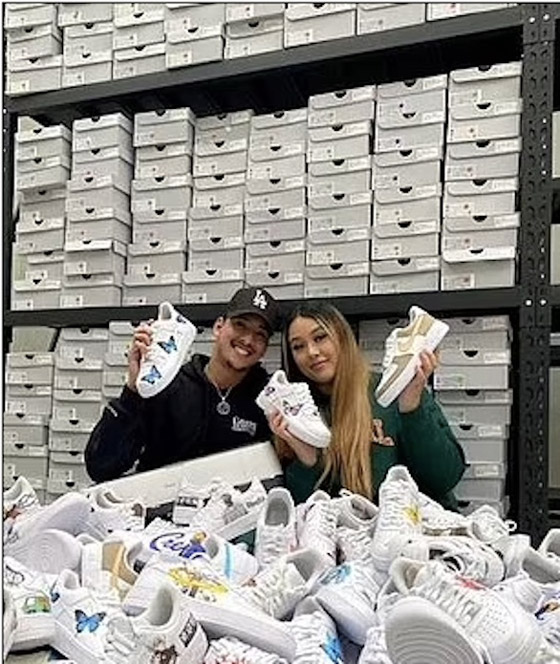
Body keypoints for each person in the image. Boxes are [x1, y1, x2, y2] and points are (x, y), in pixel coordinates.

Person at [268, 302, 466, 510]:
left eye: (320, 337)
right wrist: (307, 460)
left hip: (415, 524)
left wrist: (412, 408)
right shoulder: (296, 415)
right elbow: (305, 514)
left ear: (343, 337)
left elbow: (444, 478)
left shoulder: (395, 390)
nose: (312, 352)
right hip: (350, 528)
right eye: (298, 346)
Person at [85, 287, 280, 483]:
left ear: (264, 349)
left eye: (260, 335)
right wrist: (133, 391)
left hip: (233, 502)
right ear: (218, 327)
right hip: (160, 499)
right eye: (240, 325)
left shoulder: (268, 401)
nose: (248, 339)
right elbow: (100, 467)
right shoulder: (166, 384)